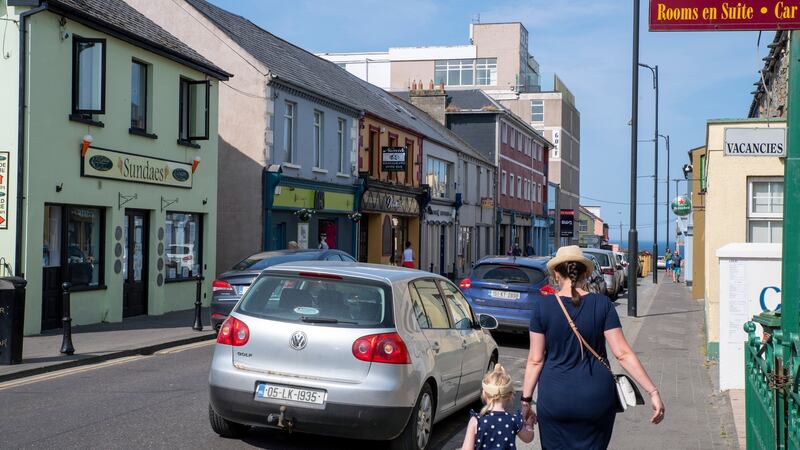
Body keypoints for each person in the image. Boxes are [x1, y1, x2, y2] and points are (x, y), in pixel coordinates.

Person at [521, 245, 665, 449]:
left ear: (555, 273)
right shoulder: (603, 305)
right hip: (595, 398)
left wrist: (525, 400)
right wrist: (653, 391)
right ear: (585, 273)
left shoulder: (543, 308)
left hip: (555, 398)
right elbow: (623, 354)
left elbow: (535, 360)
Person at [461, 364, 535, 450]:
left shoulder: (476, 420)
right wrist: (529, 425)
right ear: (510, 396)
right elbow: (528, 438)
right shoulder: (513, 420)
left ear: (484, 394)